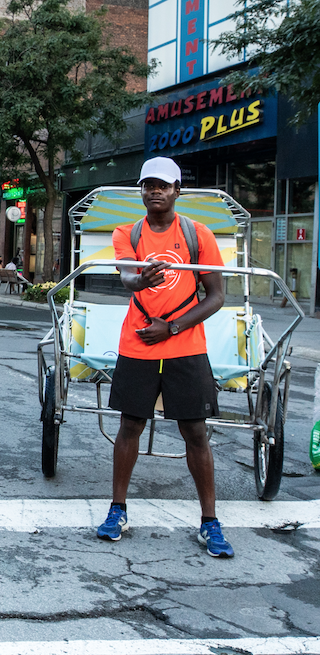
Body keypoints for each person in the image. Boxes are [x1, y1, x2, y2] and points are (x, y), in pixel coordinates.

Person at [95, 156, 230, 557]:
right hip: (137, 344)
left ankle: (210, 522)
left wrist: (171, 327)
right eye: (148, 185)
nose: (155, 191)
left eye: (164, 185)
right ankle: (117, 510)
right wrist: (141, 279)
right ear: (141, 189)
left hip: (185, 347)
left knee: (195, 433)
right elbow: (126, 277)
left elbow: (218, 296)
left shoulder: (197, 233)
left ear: (176, 191)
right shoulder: (127, 232)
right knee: (130, 426)